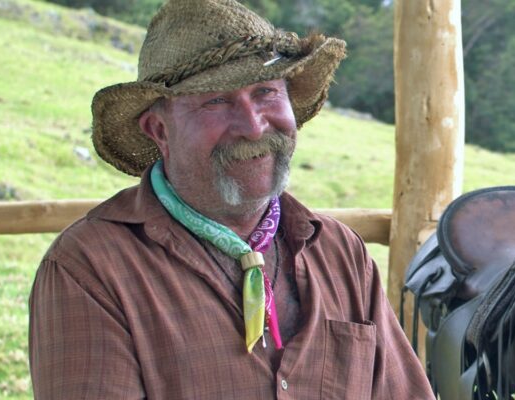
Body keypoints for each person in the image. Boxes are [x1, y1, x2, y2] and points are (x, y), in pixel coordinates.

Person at [28, 0, 432, 398]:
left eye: (266, 92)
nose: (253, 127)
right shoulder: (89, 269)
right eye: (216, 100)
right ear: (159, 130)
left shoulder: (341, 253)